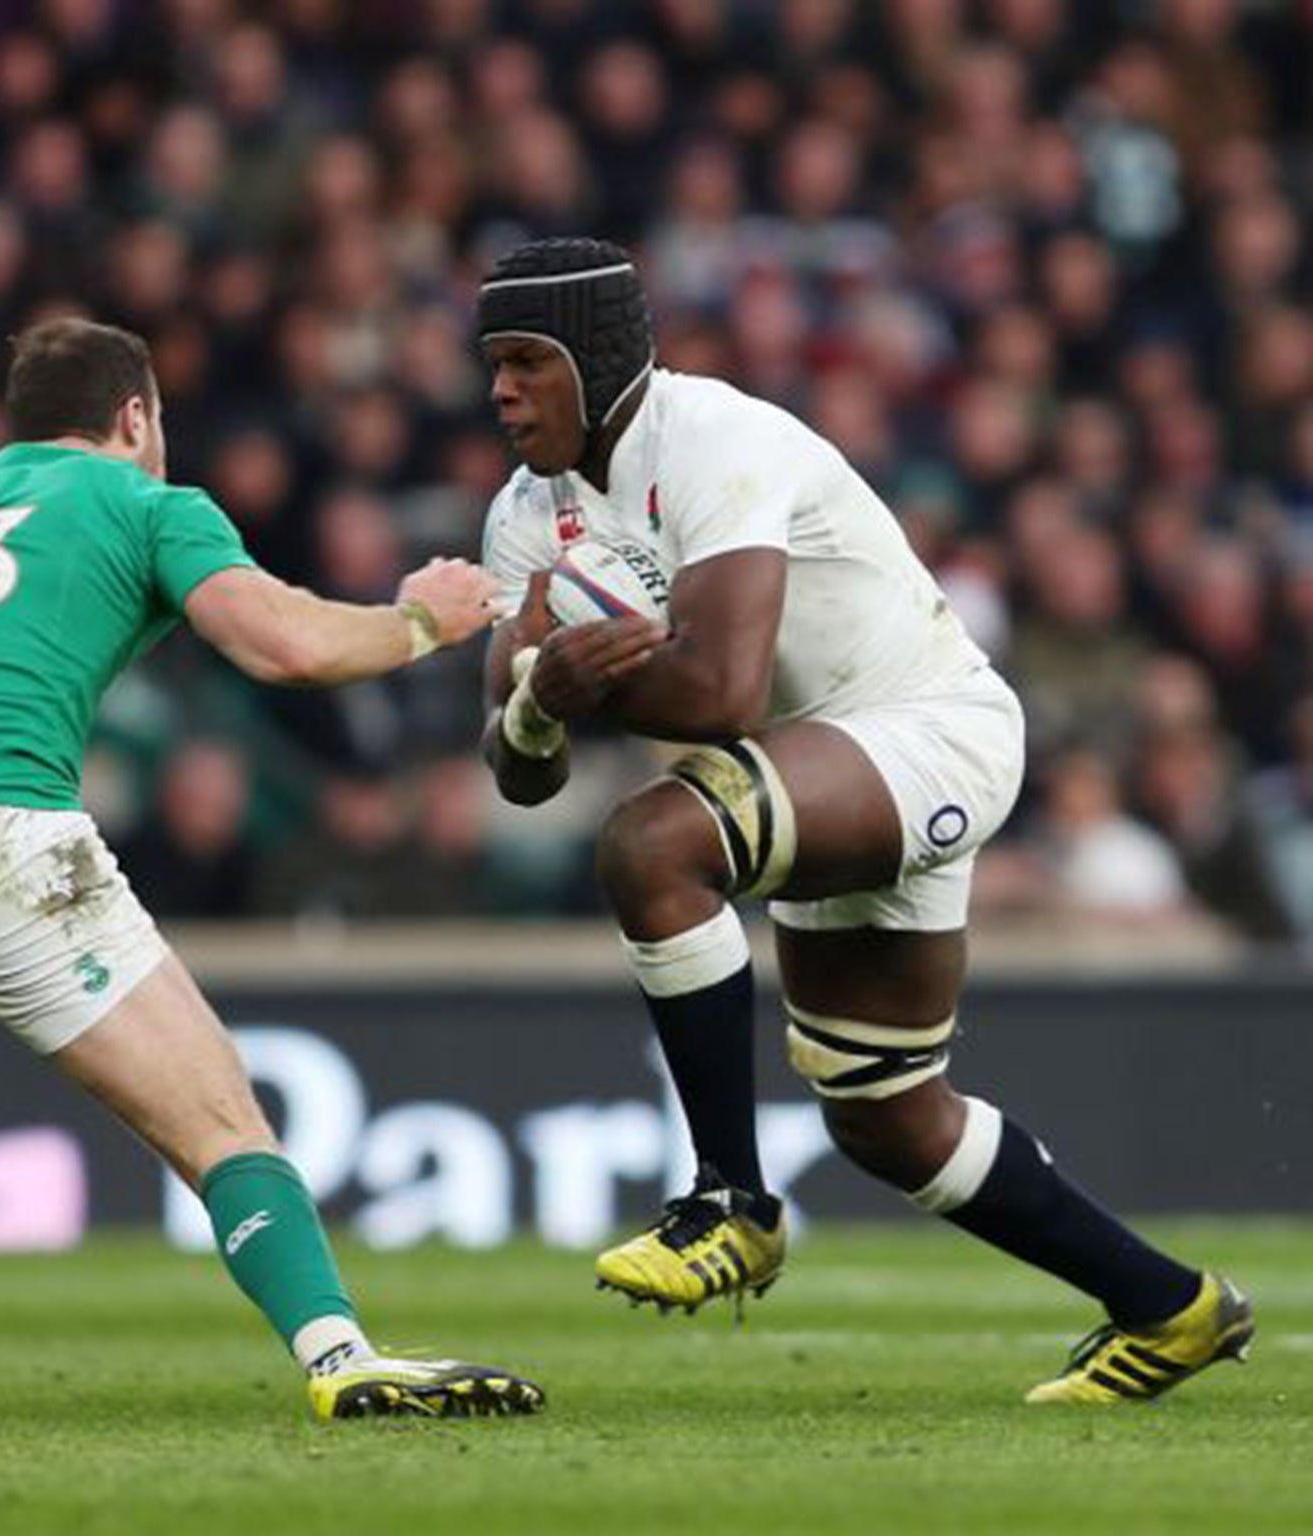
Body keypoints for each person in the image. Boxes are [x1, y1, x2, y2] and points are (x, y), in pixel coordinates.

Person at [0, 318, 542, 1423]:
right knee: (218, 1120)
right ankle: (339, 1358)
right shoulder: (148, 504)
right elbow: (286, 646)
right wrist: (425, 619)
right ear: (134, 417)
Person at [474, 238, 1252, 1405]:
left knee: (652, 842)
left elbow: (721, 693)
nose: (500, 390)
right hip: (818, 762)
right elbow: (515, 764)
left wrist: (568, 683)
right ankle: (1170, 1306)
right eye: (492, 362)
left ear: (595, 357)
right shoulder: (525, 514)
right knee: (885, 1119)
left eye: (527, 359)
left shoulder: (712, 439)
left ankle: (728, 1197)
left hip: (925, 726)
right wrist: (539, 700)